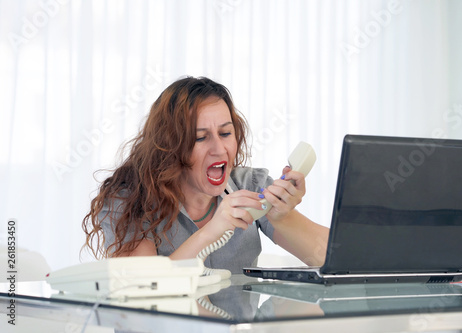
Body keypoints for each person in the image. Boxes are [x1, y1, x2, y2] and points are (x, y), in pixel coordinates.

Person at [82, 76, 329, 273]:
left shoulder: (250, 186)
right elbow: (142, 290)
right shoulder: (128, 200)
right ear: (168, 146)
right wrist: (213, 231)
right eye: (200, 137)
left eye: (225, 134)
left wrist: (281, 217)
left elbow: (332, 259)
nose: (219, 149)